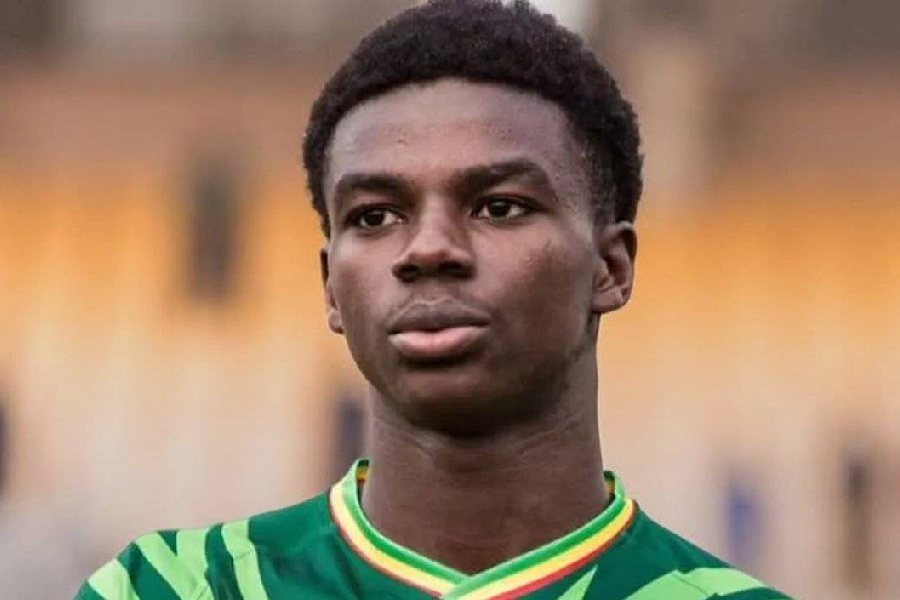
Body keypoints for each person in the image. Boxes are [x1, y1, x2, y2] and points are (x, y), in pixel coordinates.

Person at [76, 1, 788, 598]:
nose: (428, 249)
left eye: (500, 206)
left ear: (610, 266)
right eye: (374, 216)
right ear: (330, 285)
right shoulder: (176, 587)